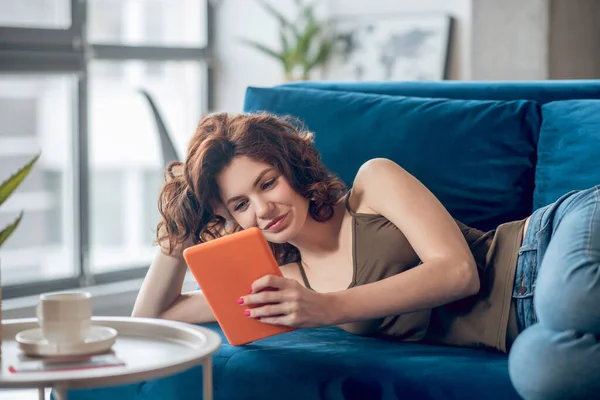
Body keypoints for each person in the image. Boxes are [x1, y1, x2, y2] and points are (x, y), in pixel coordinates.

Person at [132, 112, 599, 400]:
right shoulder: (283, 279)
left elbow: (459, 273)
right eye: (240, 205)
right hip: (528, 329)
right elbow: (156, 315)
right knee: (544, 376)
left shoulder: (371, 185)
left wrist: (327, 308)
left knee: (573, 299)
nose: (262, 209)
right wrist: (180, 223)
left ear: (292, 169)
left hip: (550, 241)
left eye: (267, 182)